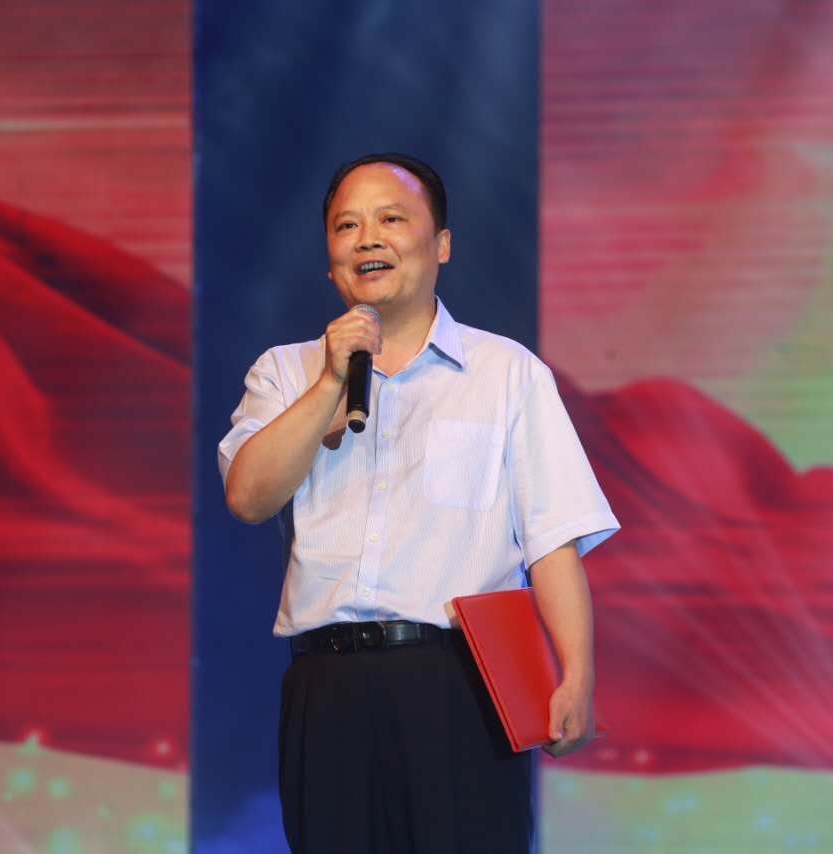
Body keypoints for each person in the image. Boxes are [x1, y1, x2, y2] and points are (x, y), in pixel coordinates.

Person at [218, 153, 618, 853]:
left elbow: (552, 539)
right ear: (330, 261)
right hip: (327, 686)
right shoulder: (284, 371)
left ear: (441, 245)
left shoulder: (507, 374)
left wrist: (577, 674)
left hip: (458, 684)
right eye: (347, 226)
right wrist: (329, 384)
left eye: (390, 219)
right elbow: (249, 498)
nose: (367, 238)